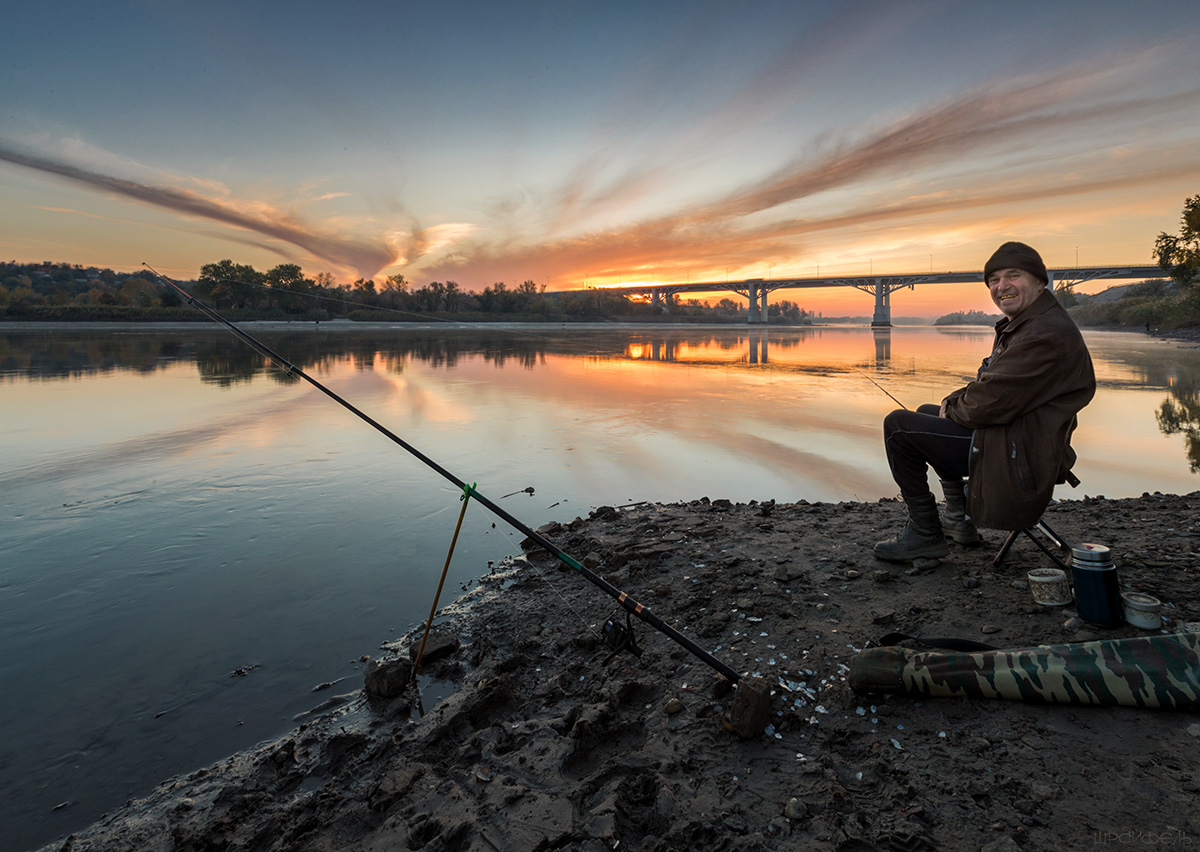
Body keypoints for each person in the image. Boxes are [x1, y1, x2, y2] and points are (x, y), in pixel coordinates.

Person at [874, 241, 1096, 562]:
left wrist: (953, 404)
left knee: (898, 426)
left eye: (1013, 276)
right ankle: (957, 519)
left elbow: (987, 403)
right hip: (1022, 440)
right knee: (927, 414)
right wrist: (952, 402)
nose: (1001, 286)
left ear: (1039, 281)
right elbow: (992, 387)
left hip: (1019, 456)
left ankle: (924, 533)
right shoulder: (1030, 324)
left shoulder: (1043, 335)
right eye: (993, 280)